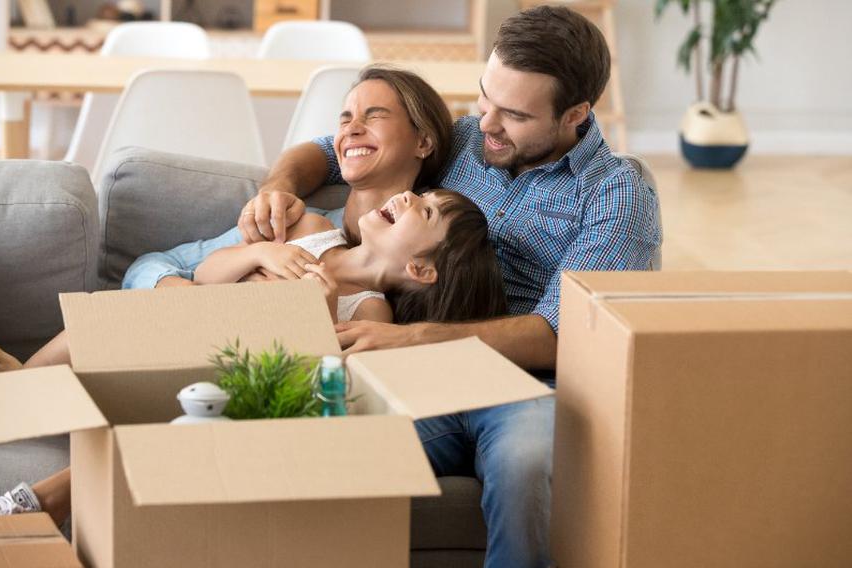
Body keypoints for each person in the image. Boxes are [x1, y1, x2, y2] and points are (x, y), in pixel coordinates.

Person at [0, 67, 509, 525]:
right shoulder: (305, 223)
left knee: (203, 411)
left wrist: (313, 307)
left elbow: (314, 378)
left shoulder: (370, 311)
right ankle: (11, 397)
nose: (351, 128)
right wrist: (257, 257)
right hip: (180, 337)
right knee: (117, 320)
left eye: (374, 115)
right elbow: (193, 274)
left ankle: (32, 487)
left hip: (226, 385)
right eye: (345, 117)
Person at [236, 6, 663, 567]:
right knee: (282, 439)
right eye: (486, 97)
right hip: (411, 377)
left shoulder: (617, 193)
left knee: (527, 458)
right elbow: (326, 152)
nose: (486, 122)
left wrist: (416, 340)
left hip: (522, 389)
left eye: (512, 114)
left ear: (576, 114)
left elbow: (565, 336)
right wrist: (278, 186)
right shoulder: (464, 137)